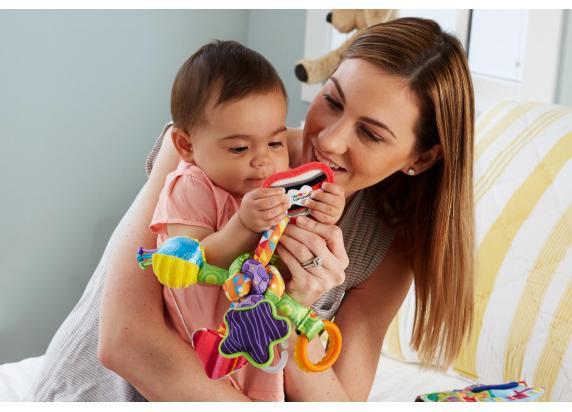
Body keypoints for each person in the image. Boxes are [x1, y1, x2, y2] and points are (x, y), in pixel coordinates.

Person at [30, 17, 475, 401]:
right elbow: (124, 340)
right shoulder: (210, 144)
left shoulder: (384, 243)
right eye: (333, 101)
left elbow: (338, 398)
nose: (332, 139)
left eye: (372, 134)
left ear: (421, 158)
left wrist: (298, 308)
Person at [149, 40, 344, 400]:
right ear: (186, 145)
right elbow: (193, 259)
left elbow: (294, 249)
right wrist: (243, 224)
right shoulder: (190, 185)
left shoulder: (280, 188)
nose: (263, 162)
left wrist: (324, 212)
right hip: (198, 356)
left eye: (275, 143)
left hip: (257, 344)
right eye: (240, 148)